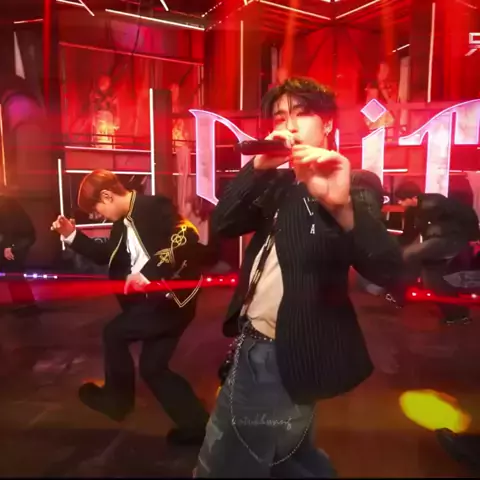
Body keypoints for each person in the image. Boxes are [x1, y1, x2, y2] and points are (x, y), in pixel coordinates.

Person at [195, 77, 403, 477]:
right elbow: (222, 225)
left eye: (301, 114)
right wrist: (256, 169)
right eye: (279, 117)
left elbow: (389, 270)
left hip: (283, 350)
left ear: (328, 124)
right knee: (288, 456)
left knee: (220, 465)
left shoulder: (352, 182)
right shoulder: (276, 181)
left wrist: (341, 209)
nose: (288, 126)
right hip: (255, 340)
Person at [51, 170, 209, 445]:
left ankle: (117, 401)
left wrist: (148, 274)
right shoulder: (120, 226)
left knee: (114, 333)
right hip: (157, 304)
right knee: (153, 368)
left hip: (170, 302)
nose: (100, 216)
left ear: (107, 196)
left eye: (97, 210)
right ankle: (197, 427)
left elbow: (186, 238)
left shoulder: (154, 206)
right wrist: (72, 235)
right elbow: (105, 255)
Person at [388, 180, 479, 325]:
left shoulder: (435, 202)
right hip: (436, 245)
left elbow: (466, 213)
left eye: (402, 200)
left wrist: (474, 236)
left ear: (413, 198)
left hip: (450, 240)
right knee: (433, 283)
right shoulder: (412, 212)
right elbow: (408, 236)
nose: (399, 203)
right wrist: (392, 246)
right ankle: (457, 315)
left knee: (410, 254)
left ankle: (400, 294)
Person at [0, 194, 37, 315]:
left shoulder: (6, 203)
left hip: (17, 241)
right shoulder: (7, 202)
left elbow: (10, 227)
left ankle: (27, 305)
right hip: (17, 240)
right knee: (14, 272)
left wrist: (9, 246)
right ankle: (27, 305)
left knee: (13, 271)